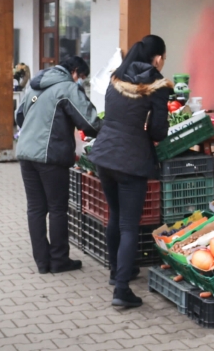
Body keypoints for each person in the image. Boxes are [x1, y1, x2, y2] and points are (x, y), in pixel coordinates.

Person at [86, 35, 170, 308]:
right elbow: (158, 130)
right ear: (157, 58)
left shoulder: (115, 78)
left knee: (116, 216)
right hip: (131, 160)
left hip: (104, 157)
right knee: (128, 225)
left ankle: (117, 273)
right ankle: (122, 290)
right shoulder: (157, 85)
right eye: (164, 57)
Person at [15, 56, 101, 275]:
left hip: (26, 153)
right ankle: (59, 260)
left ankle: (42, 262)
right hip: (51, 156)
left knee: (35, 208)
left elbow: (20, 116)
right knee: (57, 209)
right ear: (74, 71)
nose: (80, 81)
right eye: (81, 77)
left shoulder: (35, 85)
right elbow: (89, 122)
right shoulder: (67, 88)